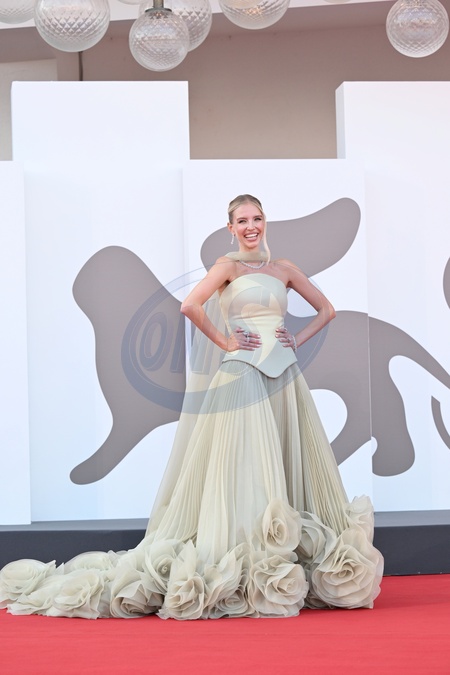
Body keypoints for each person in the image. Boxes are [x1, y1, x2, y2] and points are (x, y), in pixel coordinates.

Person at [0, 194, 383, 620]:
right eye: (242, 220)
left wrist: (297, 338)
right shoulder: (227, 267)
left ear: (265, 222)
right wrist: (226, 342)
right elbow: (189, 306)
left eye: (257, 218)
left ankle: (291, 556)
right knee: (245, 466)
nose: (251, 226)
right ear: (231, 228)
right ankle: (247, 556)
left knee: (287, 459)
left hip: (285, 377)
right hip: (243, 375)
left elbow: (327, 310)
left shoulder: (285, 269)